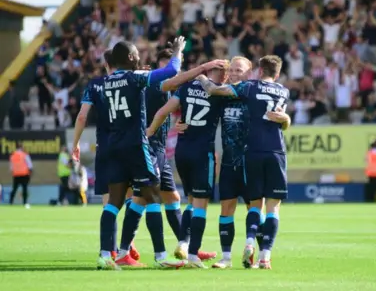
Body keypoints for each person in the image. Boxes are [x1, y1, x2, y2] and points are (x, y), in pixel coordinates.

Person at [96, 37, 217, 270]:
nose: (140, 58)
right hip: (136, 145)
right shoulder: (136, 77)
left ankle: (105, 255)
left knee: (113, 202)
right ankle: (161, 256)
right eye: (136, 55)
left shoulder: (107, 81)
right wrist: (180, 51)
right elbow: (171, 70)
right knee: (151, 197)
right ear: (131, 58)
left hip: (114, 145)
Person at [197, 55, 290, 270]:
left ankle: (256, 253)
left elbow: (282, 117)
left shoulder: (249, 89)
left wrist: (286, 119)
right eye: (233, 70)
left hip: (251, 155)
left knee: (255, 207)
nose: (235, 73)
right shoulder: (227, 95)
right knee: (228, 208)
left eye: (240, 70)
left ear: (252, 72)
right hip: (232, 160)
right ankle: (227, 257)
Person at [146, 58, 229, 268]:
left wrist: (149, 132)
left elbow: (163, 111)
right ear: (224, 76)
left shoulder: (187, 86)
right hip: (203, 152)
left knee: (191, 200)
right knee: (201, 203)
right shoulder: (220, 91)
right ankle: (193, 255)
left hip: (182, 152)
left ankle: (183, 242)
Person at [73, 50, 140, 262]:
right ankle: (126, 247)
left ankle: (109, 250)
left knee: (108, 201)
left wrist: (75, 144)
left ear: (106, 64)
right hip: (129, 145)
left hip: (106, 148)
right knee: (132, 197)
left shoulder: (94, 84)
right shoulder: (130, 80)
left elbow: (82, 115)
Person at [9, 142, 32, 208]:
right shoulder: (24, 155)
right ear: (21, 147)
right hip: (24, 174)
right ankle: (25, 202)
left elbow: (11, 167)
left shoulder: (13, 155)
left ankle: (11, 202)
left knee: (14, 189)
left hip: (16, 174)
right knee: (24, 189)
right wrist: (30, 172)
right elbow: (30, 165)